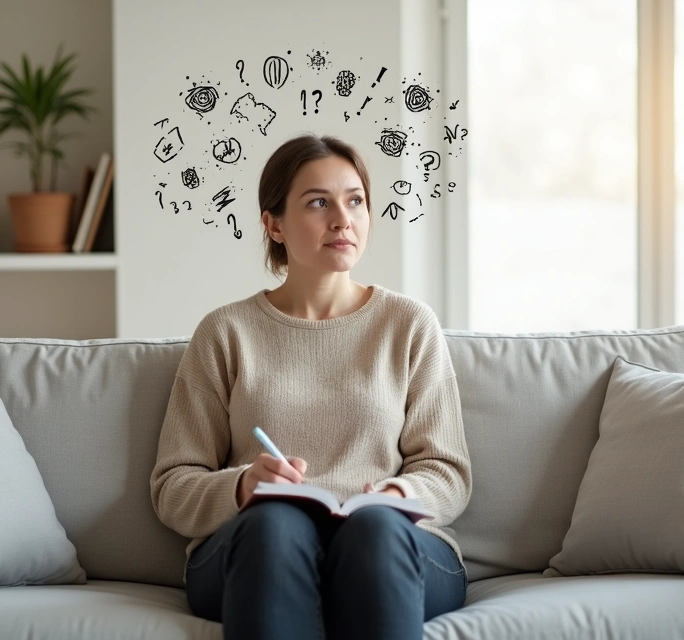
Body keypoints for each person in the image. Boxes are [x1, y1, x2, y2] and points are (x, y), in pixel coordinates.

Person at [150, 133, 472, 640]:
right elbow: (172, 486)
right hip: (259, 550)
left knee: (374, 530)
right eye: (318, 202)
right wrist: (241, 487)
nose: (342, 219)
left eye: (356, 201)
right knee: (276, 523)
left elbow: (448, 471)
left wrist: (398, 492)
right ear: (272, 223)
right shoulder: (226, 332)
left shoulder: (408, 325)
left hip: (388, 546)